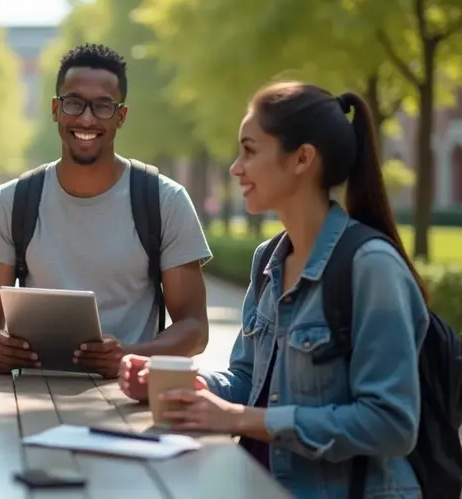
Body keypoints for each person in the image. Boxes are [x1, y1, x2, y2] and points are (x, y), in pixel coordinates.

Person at [118, 82, 429, 498]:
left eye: (249, 150)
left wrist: (241, 419)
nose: (235, 167)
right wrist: (180, 386)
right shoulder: (268, 261)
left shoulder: (372, 267)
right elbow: (249, 378)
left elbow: (391, 425)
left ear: (302, 158)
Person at [0, 43, 212, 379]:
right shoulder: (12, 201)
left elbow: (195, 328)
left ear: (121, 116)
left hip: (128, 398)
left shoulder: (164, 200)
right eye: (74, 103)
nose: (86, 118)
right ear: (55, 109)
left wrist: (128, 355)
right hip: (28, 400)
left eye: (102, 106)